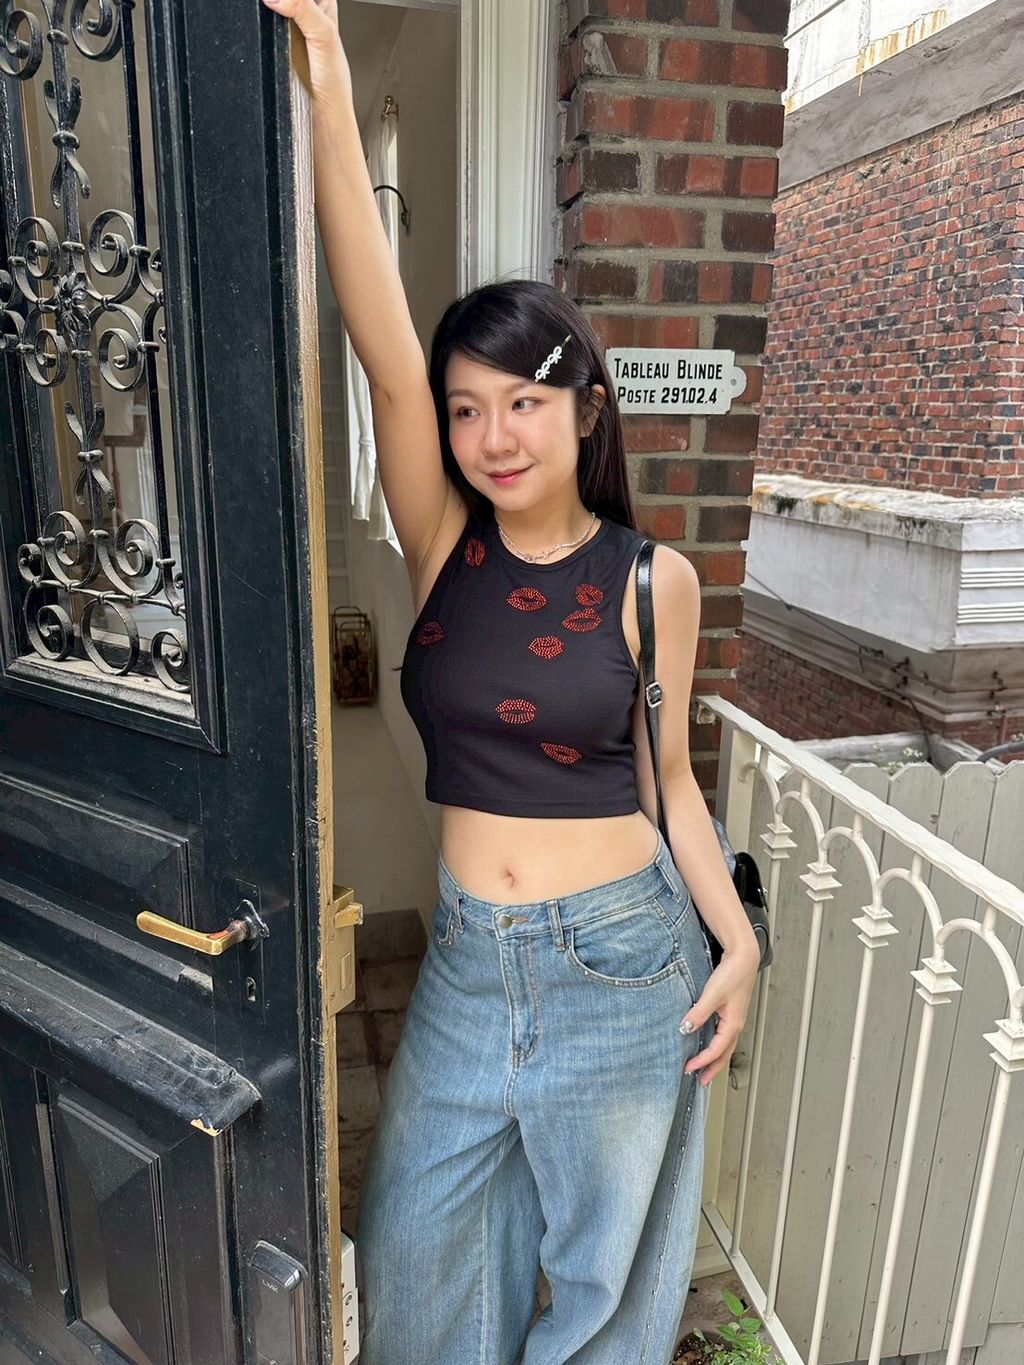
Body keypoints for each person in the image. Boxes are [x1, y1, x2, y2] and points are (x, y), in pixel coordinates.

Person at [262, 2, 762, 1361]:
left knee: (603, 1290)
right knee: (415, 1260)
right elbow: (379, 342)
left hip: (623, 956)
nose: (493, 434)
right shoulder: (444, 544)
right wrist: (327, 71)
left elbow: (671, 786)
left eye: (524, 402)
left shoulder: (653, 581)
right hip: (472, 964)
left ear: (585, 409)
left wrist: (738, 942)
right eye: (467, 407)